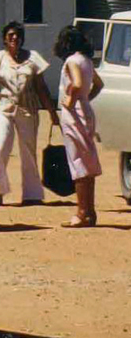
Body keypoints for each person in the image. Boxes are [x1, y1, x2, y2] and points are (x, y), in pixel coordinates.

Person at [0, 21, 57, 206]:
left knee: (28, 152)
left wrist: (52, 112)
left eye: (18, 35)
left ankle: (32, 194)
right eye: (10, 35)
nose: (14, 38)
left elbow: (41, 88)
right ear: (4, 39)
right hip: (3, 108)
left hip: (27, 109)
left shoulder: (33, 58)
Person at [54, 24, 104, 227]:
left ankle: (82, 212)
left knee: (77, 162)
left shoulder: (71, 60)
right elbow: (98, 85)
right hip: (86, 110)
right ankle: (89, 211)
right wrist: (85, 98)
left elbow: (74, 83)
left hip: (74, 113)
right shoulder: (86, 61)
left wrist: (71, 101)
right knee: (87, 161)